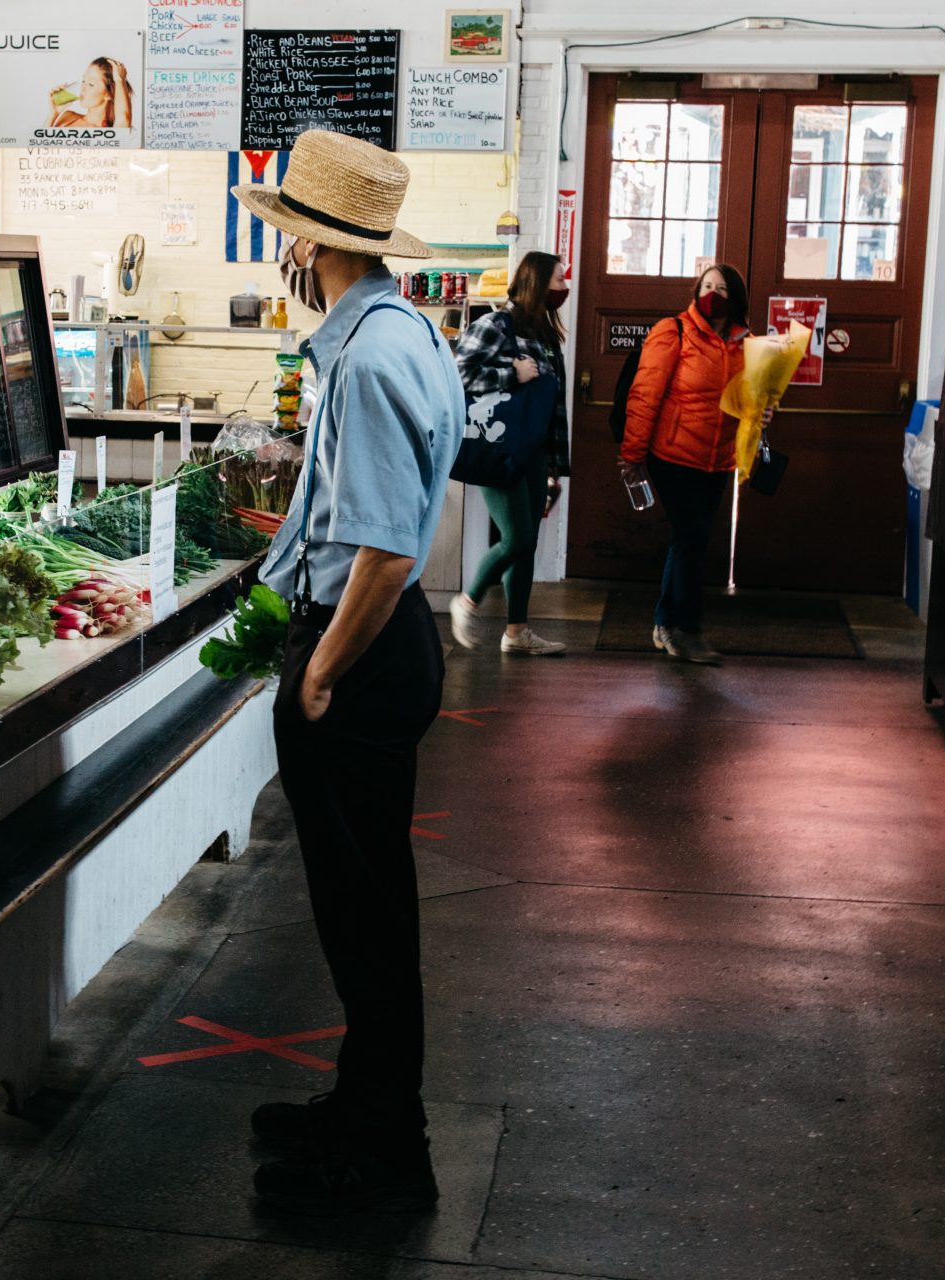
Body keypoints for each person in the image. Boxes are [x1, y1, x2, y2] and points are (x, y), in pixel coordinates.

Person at [235, 129, 462, 1215]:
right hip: (387, 644)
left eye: (288, 239)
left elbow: (380, 548)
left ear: (312, 249)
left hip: (361, 650)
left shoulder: (366, 358)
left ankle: (388, 1157)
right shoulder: (402, 328)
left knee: (362, 916)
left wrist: (318, 671)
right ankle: (365, 1107)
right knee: (367, 906)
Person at [619, 263, 762, 666]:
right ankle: (687, 631)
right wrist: (633, 454)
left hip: (718, 461)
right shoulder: (673, 331)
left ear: (735, 298)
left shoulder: (746, 342)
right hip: (674, 455)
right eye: (706, 286)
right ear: (696, 291)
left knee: (688, 540)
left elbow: (753, 398)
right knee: (692, 538)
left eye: (721, 288)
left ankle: (665, 623)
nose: (712, 293)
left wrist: (764, 413)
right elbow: (645, 394)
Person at [450, 250, 572, 656]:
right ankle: (467, 601)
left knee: (528, 541)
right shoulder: (494, 325)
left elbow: (554, 405)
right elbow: (456, 374)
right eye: (558, 279)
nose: (564, 287)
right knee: (517, 538)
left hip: (534, 452)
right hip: (498, 447)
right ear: (538, 282)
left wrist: (555, 465)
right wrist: (511, 374)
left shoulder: (546, 335)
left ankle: (517, 632)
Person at [46, 57, 134, 129]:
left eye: (91, 84)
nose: (82, 87)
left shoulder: (109, 132)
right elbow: (39, 145)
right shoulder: (68, 117)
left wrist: (119, 80)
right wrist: (53, 114)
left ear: (108, 94)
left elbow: (124, 118)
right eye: (83, 81)